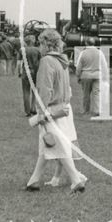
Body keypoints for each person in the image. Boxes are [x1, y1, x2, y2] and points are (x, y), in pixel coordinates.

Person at [26, 29, 86, 193]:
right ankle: (34, 180)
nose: (39, 47)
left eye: (40, 43)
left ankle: (75, 179)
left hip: (51, 110)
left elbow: (45, 89)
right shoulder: (63, 61)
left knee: (55, 144)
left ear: (46, 43)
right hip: (64, 109)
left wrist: (40, 112)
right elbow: (66, 88)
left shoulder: (47, 61)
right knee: (47, 145)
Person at [75, 37, 109, 115]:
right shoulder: (99, 52)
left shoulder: (83, 53)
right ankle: (97, 110)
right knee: (96, 93)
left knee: (86, 94)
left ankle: (85, 110)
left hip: (86, 75)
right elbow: (104, 65)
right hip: (97, 75)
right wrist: (105, 76)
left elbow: (78, 67)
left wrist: (78, 76)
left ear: (86, 43)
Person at [18, 35, 41, 116]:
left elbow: (19, 63)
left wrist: (19, 72)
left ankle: (27, 111)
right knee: (35, 91)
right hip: (35, 72)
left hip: (26, 72)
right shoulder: (38, 50)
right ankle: (33, 108)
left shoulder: (22, 50)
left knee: (26, 92)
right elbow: (40, 62)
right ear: (33, 41)